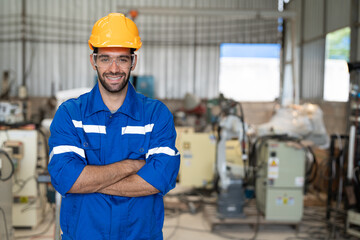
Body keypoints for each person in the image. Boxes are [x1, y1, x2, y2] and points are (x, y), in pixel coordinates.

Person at [48, 13, 180, 240]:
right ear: (93, 61)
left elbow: (162, 178)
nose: (114, 68)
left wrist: (89, 182)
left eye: (122, 58)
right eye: (106, 58)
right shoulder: (71, 114)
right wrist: (130, 166)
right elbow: (65, 177)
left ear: (133, 62)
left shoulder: (156, 115)